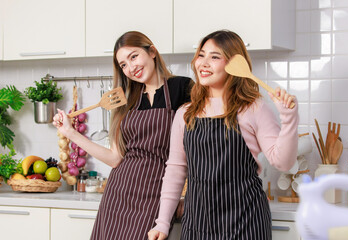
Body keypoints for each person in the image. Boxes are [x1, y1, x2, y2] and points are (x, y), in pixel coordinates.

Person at [148, 30, 299, 240]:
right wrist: (162, 223)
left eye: (215, 57)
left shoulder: (254, 109)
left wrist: (289, 117)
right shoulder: (185, 113)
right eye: (201, 55)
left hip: (246, 223)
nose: (204, 63)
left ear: (233, 65)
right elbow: (175, 170)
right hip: (198, 223)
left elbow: (283, 162)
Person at [52, 31, 193, 240]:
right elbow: (115, 158)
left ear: (152, 51)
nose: (130, 68)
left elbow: (202, 140)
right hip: (118, 193)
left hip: (156, 195)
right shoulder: (125, 100)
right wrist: (70, 132)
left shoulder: (182, 88)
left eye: (134, 56)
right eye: (123, 65)